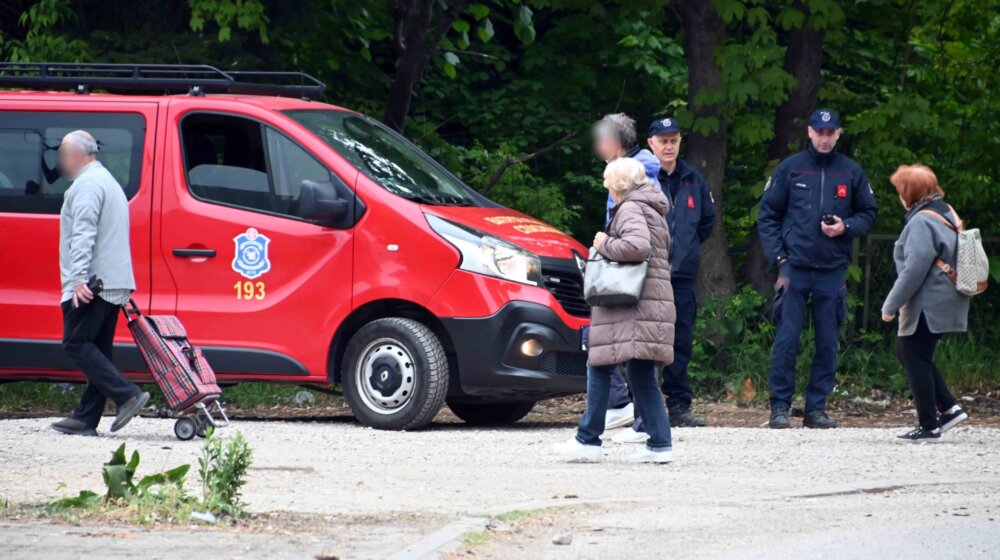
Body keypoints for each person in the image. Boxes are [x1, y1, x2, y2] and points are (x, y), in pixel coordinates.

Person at [757, 109, 878, 429]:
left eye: (831, 132)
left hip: (831, 269)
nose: (825, 138)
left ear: (839, 134)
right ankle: (779, 408)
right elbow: (767, 215)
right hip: (794, 268)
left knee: (827, 342)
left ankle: (816, 409)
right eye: (820, 132)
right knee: (787, 340)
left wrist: (846, 226)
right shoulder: (791, 168)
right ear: (810, 132)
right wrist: (779, 258)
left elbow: (868, 212)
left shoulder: (850, 171)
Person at [553, 157, 676, 463]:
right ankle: (660, 444)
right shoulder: (651, 208)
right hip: (650, 300)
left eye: (608, 181)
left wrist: (604, 242)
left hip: (632, 302)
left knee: (599, 363)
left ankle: (588, 440)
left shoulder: (631, 208)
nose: (606, 185)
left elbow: (638, 247)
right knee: (640, 372)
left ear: (618, 185)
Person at [51, 130, 149, 437]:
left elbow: (84, 232)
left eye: (63, 154)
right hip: (115, 281)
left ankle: (127, 394)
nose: (61, 162)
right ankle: (85, 418)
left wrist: (78, 278)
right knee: (99, 349)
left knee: (76, 342)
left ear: (75, 155)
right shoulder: (106, 180)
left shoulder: (88, 185)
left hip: (94, 282)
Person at [882, 164, 970, 441]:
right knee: (912, 352)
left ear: (910, 192)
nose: (899, 195)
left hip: (929, 301)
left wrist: (891, 305)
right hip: (948, 297)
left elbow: (914, 268)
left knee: (911, 351)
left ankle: (929, 425)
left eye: (900, 190)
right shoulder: (946, 211)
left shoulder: (921, 221)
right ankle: (949, 408)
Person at [590, 113, 661, 431]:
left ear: (616, 142)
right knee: (626, 350)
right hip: (632, 274)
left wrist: (604, 244)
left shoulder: (632, 179)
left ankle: (632, 420)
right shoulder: (628, 172)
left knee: (630, 350)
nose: (598, 145)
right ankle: (633, 417)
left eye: (602, 138)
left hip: (636, 278)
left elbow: (637, 244)